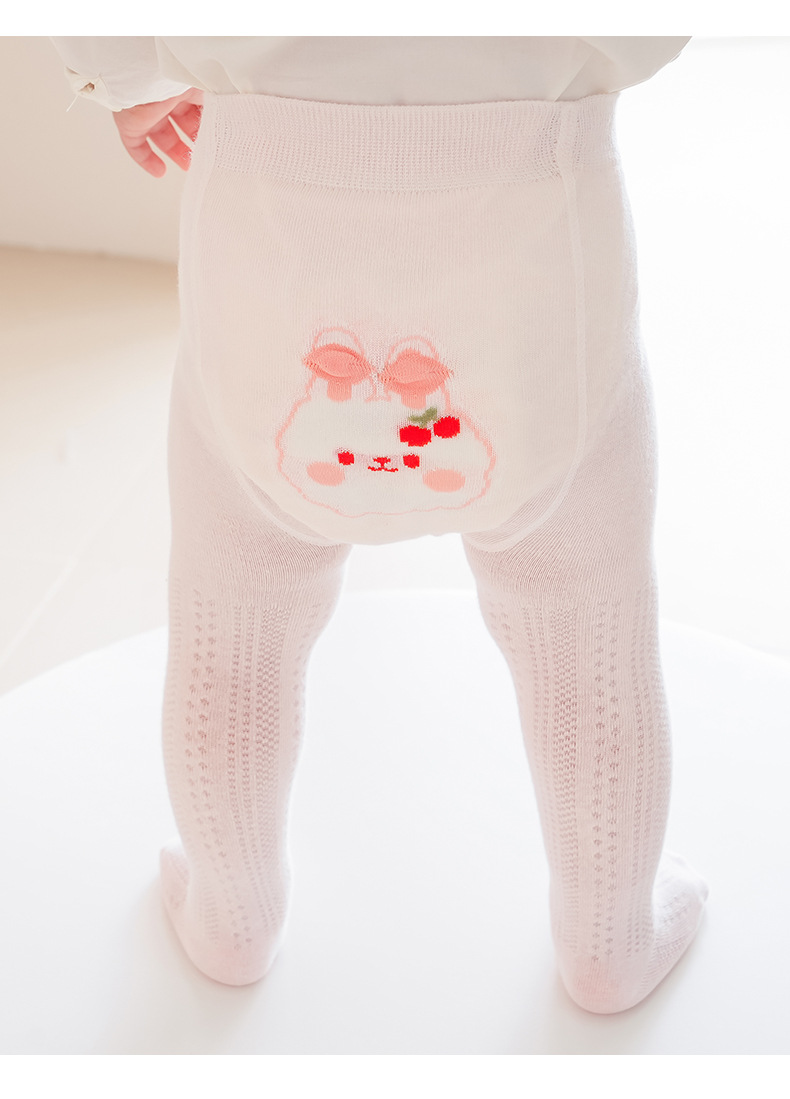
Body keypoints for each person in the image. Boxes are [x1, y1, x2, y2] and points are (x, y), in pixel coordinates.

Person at [50, 36, 707, 1013]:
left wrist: (128, 82)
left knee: (234, 641)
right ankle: (610, 937)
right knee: (587, 644)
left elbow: (109, 30)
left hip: (266, 317)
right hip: (535, 312)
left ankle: (231, 914)